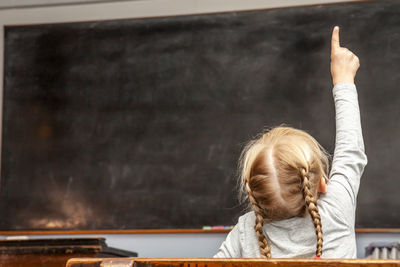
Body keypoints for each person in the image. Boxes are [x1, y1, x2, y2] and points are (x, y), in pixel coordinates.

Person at [214, 26, 367, 259]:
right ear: (321, 186)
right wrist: (343, 80)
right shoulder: (336, 210)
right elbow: (351, 151)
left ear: (254, 194)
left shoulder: (245, 231)